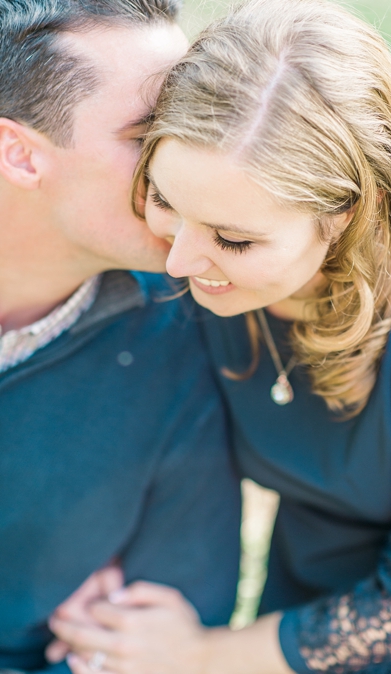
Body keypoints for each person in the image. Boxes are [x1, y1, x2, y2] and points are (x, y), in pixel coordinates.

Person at [49, 1, 391, 672]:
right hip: (285, 613)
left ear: (348, 215)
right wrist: (93, 558)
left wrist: (199, 654)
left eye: (233, 239)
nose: (178, 261)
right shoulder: (183, 268)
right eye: (165, 199)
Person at [0, 0, 241, 671]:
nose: (190, 163)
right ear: (19, 154)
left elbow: (163, 635)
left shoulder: (183, 322)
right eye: (149, 134)